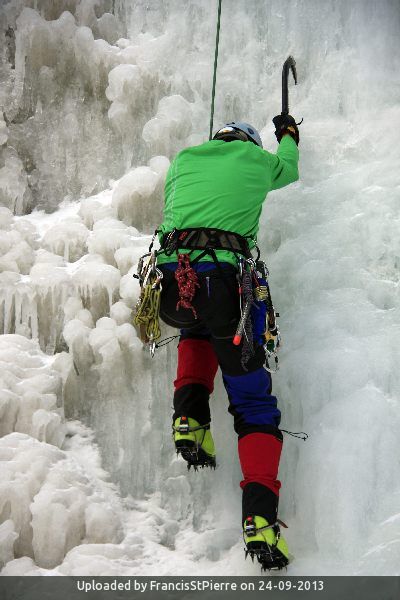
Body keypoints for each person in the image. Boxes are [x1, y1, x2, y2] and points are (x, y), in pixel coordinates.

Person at [156, 116, 299, 570]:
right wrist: (289, 135)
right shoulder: (256, 159)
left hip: (171, 286)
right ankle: (260, 520)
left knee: (196, 328)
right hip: (223, 286)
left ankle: (189, 421)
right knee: (254, 405)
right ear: (249, 143)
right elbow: (289, 169)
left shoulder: (183, 159)